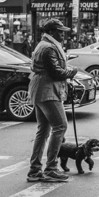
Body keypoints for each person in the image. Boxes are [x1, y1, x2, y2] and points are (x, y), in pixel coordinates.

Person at [27, 18, 78, 183]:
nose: (62, 34)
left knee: (43, 131)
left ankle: (35, 170)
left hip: (42, 90)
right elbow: (56, 72)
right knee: (60, 126)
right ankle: (51, 168)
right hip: (47, 92)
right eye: (59, 31)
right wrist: (71, 73)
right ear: (50, 32)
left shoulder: (46, 45)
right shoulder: (49, 47)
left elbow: (52, 69)